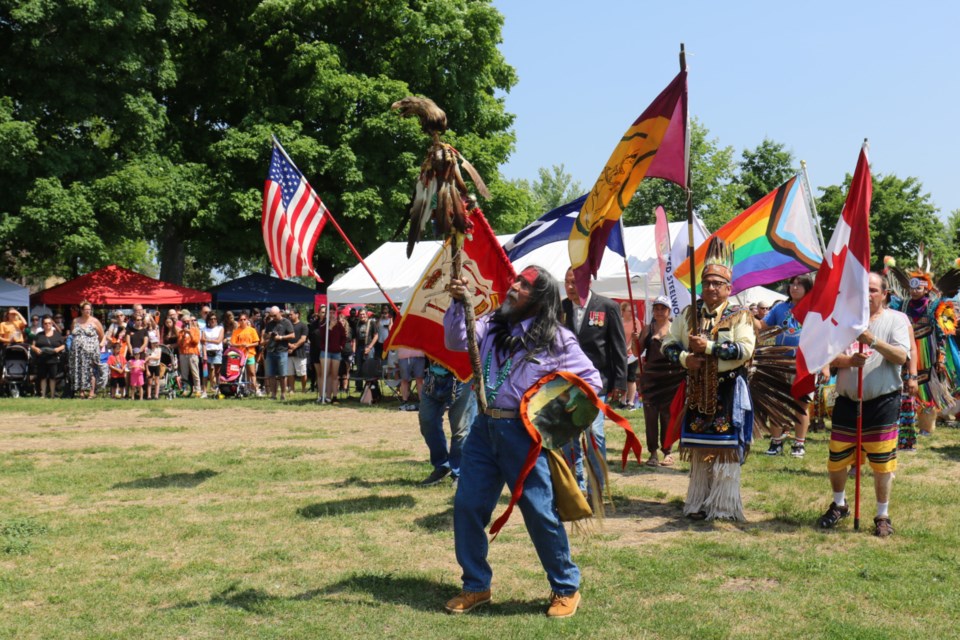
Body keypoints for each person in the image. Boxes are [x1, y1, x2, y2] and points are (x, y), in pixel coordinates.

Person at [442, 265, 600, 619]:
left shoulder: (556, 338)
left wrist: (551, 421)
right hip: (484, 429)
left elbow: (591, 380)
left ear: (540, 298)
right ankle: (475, 585)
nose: (512, 288)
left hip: (523, 436)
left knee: (539, 511)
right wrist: (459, 305)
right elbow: (456, 341)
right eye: (515, 281)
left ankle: (566, 588)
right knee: (468, 505)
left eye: (523, 285)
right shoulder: (492, 322)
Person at [662, 237, 756, 522]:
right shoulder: (689, 313)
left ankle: (723, 505)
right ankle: (698, 502)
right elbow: (668, 344)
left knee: (726, 450)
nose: (711, 288)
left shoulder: (739, 316)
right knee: (701, 448)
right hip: (697, 389)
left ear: (728, 289)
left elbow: (745, 350)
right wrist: (684, 359)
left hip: (727, 391)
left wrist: (711, 348)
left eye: (718, 284)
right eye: (707, 283)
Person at [817, 272, 909, 538]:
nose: (867, 295)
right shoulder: (843, 322)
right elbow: (828, 356)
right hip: (847, 400)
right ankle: (839, 505)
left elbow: (902, 356)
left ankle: (882, 514)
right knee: (837, 459)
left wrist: (872, 341)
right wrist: (848, 362)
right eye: (862, 290)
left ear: (884, 294)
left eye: (872, 290)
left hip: (882, 401)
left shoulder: (896, 320)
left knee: (882, 462)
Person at [560, 267, 627, 495]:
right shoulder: (561, 308)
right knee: (568, 437)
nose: (569, 287)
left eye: (573, 282)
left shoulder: (607, 307)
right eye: (566, 282)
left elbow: (618, 347)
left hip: (596, 383)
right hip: (567, 384)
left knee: (594, 434)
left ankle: (596, 490)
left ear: (586, 282)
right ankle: (575, 491)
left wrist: (620, 382)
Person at [759, 274, 814, 457]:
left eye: (799, 284)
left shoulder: (814, 309)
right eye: (792, 283)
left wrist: (825, 366)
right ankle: (776, 443)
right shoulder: (780, 308)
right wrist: (745, 318)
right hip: (780, 361)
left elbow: (823, 336)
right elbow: (763, 325)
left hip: (804, 363)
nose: (794, 287)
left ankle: (799, 444)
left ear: (808, 287)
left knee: (801, 404)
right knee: (775, 403)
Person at [637, 295, 685, 467]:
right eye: (656, 308)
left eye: (662, 308)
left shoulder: (676, 329)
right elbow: (638, 351)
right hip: (651, 378)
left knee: (667, 415)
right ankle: (652, 453)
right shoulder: (648, 328)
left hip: (671, 378)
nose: (659, 311)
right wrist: (638, 338)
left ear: (669, 311)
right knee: (650, 416)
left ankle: (668, 451)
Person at [418, 361, 477, 486]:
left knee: (461, 429)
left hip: (463, 377)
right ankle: (442, 466)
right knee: (427, 421)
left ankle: (459, 471)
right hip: (434, 377)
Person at [309, 306, 346, 403]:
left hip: (336, 352)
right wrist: (330, 327)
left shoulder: (339, 325)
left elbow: (343, 336)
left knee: (333, 375)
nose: (332, 314)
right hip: (325, 352)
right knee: (323, 374)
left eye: (334, 312)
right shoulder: (323, 324)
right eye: (330, 312)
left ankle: (331, 396)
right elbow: (322, 337)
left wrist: (341, 346)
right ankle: (321, 396)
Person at [71, 301, 105, 399]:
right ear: (81, 310)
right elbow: (73, 334)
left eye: (89, 310)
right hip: (77, 352)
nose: (88, 311)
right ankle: (81, 392)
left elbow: (102, 335)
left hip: (91, 351)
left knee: (90, 371)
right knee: (80, 370)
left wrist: (100, 345)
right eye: (86, 309)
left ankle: (91, 392)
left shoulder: (95, 321)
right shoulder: (75, 321)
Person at [262, 306, 295, 400]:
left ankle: (283, 394)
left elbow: (293, 335)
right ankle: (273, 395)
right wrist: (268, 334)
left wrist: (280, 337)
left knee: (282, 374)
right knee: (271, 374)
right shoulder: (270, 323)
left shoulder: (286, 322)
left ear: (280, 313)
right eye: (271, 315)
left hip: (282, 351)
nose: (273, 317)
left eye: (274, 315)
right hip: (270, 351)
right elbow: (265, 335)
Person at [31, 315, 65, 398]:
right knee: (42, 377)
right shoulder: (39, 334)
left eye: (49, 323)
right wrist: (35, 349)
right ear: (43, 324)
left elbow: (64, 345)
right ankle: (43, 395)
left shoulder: (57, 334)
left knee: (52, 378)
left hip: (53, 358)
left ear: (52, 324)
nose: (47, 325)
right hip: (42, 358)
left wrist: (58, 349)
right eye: (45, 323)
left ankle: (52, 395)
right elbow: (32, 345)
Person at [231, 313, 261, 396]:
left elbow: (257, 342)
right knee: (241, 373)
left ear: (247, 320)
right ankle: (246, 389)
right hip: (240, 355)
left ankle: (256, 389)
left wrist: (249, 345)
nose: (243, 321)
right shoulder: (236, 331)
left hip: (250, 354)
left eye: (244, 319)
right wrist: (241, 345)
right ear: (239, 321)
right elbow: (232, 343)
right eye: (241, 319)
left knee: (252, 372)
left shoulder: (252, 330)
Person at [619, 301, 641, 411]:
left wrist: (627, 348)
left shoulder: (636, 322)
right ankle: (622, 401)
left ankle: (631, 402)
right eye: (630, 311)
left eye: (634, 311)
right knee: (622, 378)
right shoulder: (619, 322)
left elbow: (636, 338)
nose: (633, 313)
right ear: (622, 312)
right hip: (620, 354)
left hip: (632, 355)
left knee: (631, 378)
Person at [177, 311, 203, 397]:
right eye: (184, 321)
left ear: (191, 321)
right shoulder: (181, 332)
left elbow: (195, 342)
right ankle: (185, 389)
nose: (186, 323)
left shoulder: (195, 330)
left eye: (188, 321)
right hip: (183, 354)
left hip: (193, 354)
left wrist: (190, 333)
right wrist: (184, 334)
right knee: (184, 374)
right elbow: (179, 344)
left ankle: (198, 390)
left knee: (195, 372)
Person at [286, 309, 309, 395]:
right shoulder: (288, 325)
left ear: (297, 315)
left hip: (300, 353)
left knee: (302, 372)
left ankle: (303, 388)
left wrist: (294, 346)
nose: (290, 316)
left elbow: (303, 339)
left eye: (291, 314)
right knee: (290, 372)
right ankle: (292, 389)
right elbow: (285, 336)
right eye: (289, 315)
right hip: (289, 352)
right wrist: (289, 345)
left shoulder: (303, 325)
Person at [202, 312, 225, 396]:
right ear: (208, 320)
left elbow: (219, 341)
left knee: (217, 372)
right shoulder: (204, 329)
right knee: (205, 373)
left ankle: (218, 390)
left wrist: (207, 340)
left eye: (214, 319)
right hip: (207, 352)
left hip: (217, 351)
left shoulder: (220, 328)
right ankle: (204, 391)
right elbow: (203, 343)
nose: (213, 320)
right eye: (211, 319)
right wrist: (204, 354)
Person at [397, 346, 426, 411]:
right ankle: (404, 401)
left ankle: (422, 402)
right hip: (403, 355)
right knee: (404, 380)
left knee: (420, 379)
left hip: (419, 354)